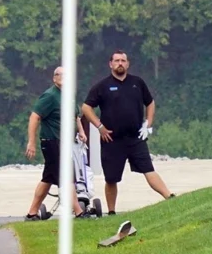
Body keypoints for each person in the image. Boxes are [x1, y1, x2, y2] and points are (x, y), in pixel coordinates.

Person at [81, 50, 173, 214]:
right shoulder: (103, 86)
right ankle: (111, 211)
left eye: (123, 60)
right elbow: (86, 107)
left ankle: (170, 198)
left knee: (148, 169)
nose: (120, 63)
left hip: (135, 138)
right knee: (111, 178)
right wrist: (99, 127)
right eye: (116, 61)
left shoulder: (137, 83)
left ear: (128, 64)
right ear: (111, 64)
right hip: (112, 140)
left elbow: (150, 103)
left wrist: (148, 124)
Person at [24, 66, 88, 221]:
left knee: (48, 178)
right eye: (60, 75)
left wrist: (81, 131)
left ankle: (32, 214)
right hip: (52, 141)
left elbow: (76, 115)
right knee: (67, 177)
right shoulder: (50, 96)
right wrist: (31, 143)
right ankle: (79, 212)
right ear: (54, 78)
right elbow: (34, 117)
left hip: (64, 142)